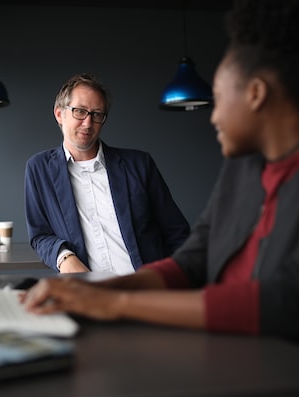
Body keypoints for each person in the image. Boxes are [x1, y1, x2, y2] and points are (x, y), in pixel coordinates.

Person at [24, 0, 299, 397]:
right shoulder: (244, 167)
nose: (213, 115)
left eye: (217, 98)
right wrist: (96, 291)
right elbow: (192, 259)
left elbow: (292, 301)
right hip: (240, 377)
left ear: (255, 94)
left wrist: (120, 303)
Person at [25, 73, 190, 274]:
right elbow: (40, 235)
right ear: (59, 114)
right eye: (79, 111)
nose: (88, 123)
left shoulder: (139, 164)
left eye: (96, 114)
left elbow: (176, 231)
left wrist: (176, 280)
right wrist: (64, 257)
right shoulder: (39, 169)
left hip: (145, 290)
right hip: (88, 294)